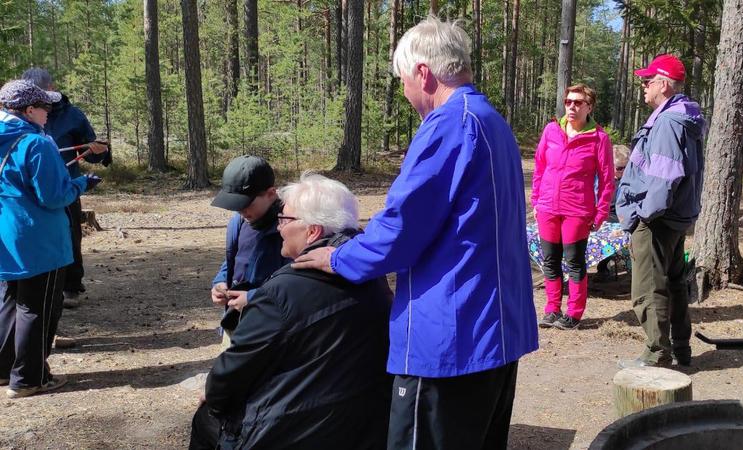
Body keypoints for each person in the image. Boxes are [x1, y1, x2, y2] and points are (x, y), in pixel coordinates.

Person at [292, 17, 537, 450]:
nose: (405, 92)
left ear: (423, 73)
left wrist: (338, 257)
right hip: (497, 333)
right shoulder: (491, 121)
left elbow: (401, 228)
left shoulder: (449, 125)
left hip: (451, 339)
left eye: (403, 80)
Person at [190, 173, 392, 449]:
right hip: (362, 426)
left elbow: (231, 374)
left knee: (206, 420)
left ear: (313, 231)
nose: (279, 226)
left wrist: (214, 398)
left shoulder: (280, 293)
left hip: (292, 432)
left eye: (284, 219)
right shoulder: (374, 278)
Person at [0, 79, 101, 398]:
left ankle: (3, 370)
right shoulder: (37, 144)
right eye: (46, 107)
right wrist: (82, 184)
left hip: (7, 236)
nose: (50, 112)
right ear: (29, 110)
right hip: (39, 239)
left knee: (10, 302)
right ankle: (29, 378)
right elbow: (54, 196)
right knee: (38, 307)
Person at [616, 54, 704, 369]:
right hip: (674, 217)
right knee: (675, 283)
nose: (644, 85)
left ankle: (657, 353)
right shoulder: (681, 118)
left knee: (648, 287)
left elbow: (665, 176)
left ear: (663, 84)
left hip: (657, 218)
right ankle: (680, 348)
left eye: (648, 80)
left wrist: (643, 214)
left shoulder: (667, 122)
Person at [22, 68, 110, 308]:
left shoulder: (72, 115)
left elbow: (90, 153)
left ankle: (71, 286)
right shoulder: (18, 116)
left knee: (70, 236)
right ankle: (32, 287)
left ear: (51, 88)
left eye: (40, 92)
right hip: (26, 191)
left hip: (66, 186)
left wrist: (97, 151)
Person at [532, 83, 614, 330]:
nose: (571, 107)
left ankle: (574, 314)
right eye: (568, 102)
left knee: (575, 262)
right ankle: (552, 309)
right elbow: (540, 166)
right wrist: (536, 200)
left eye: (578, 103)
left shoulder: (599, 138)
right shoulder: (551, 130)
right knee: (550, 260)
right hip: (548, 207)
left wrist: (601, 212)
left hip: (577, 210)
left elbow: (607, 180)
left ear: (589, 107)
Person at [209, 156, 289, 341]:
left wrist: (253, 298)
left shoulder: (289, 229)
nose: (241, 210)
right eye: (236, 205)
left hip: (271, 330)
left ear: (271, 194)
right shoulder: (239, 222)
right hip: (237, 323)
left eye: (246, 203)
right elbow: (233, 261)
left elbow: (296, 284)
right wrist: (220, 282)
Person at [595, 144, 632, 280]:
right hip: (604, 215)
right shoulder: (600, 178)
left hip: (623, 216)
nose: (623, 171)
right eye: (619, 168)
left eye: (626, 167)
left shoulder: (632, 180)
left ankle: (613, 266)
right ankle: (602, 267)